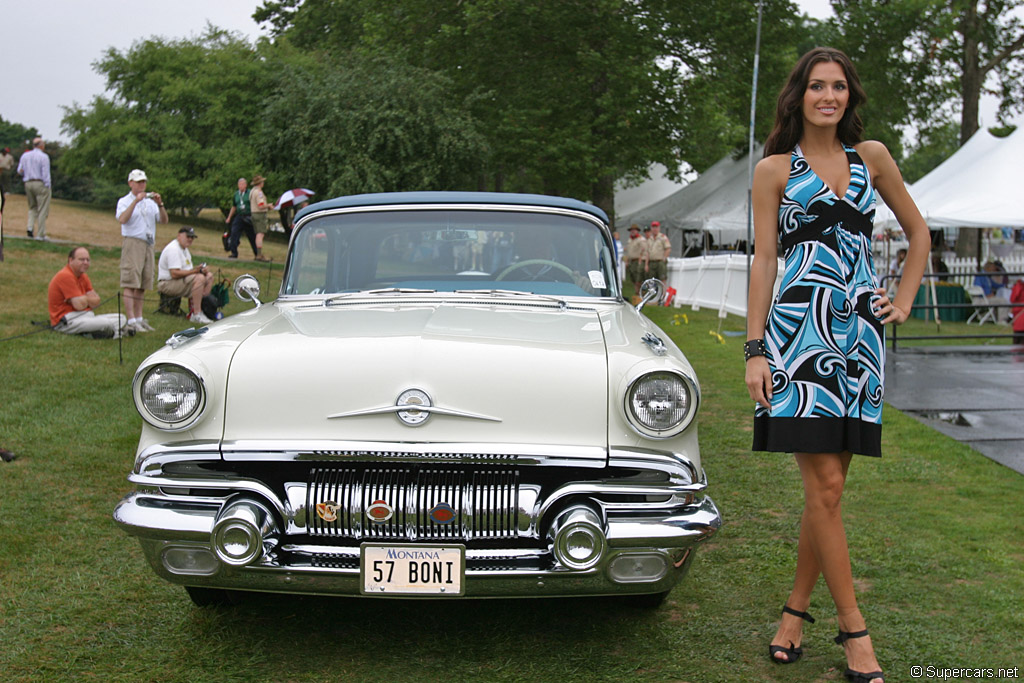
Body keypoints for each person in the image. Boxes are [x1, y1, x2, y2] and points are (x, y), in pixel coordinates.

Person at [745, 47, 928, 683]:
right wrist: (754, 349)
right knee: (823, 489)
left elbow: (920, 233)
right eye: (819, 86)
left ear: (850, 96)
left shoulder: (870, 158)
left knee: (829, 492)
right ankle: (856, 632)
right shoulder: (772, 170)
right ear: (799, 94)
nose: (830, 96)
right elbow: (764, 261)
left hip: (859, 343)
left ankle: (795, 613)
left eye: (840, 87)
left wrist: (901, 299)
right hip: (796, 345)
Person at [116, 169, 167, 334]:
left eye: (143, 182)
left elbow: (164, 221)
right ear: (130, 183)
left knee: (144, 282)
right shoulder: (124, 201)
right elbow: (122, 219)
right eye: (138, 182)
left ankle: (139, 318)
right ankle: (130, 319)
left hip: (149, 243)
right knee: (131, 281)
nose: (141, 185)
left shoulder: (150, 202)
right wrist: (135, 202)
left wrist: (160, 203)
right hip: (133, 242)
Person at [48, 246, 129, 339]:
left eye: (88, 260)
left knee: (121, 318)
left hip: (85, 316)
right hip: (66, 321)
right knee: (106, 323)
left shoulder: (83, 276)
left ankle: (96, 332)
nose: (85, 263)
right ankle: (115, 333)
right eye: (81, 260)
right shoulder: (65, 275)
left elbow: (96, 302)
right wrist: (87, 299)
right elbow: (79, 306)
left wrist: (83, 299)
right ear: (71, 260)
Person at [157, 226, 214, 324]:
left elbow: (188, 271)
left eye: (192, 237)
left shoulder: (185, 250)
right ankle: (196, 314)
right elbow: (174, 273)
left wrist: (201, 270)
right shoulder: (173, 249)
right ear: (179, 236)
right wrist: (196, 271)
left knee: (209, 276)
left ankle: (204, 308)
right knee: (199, 278)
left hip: (179, 281)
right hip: (167, 283)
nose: (190, 239)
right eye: (188, 236)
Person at [16, 137, 51, 240]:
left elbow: (19, 170)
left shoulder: (25, 155)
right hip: (39, 183)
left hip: (28, 183)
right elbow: (45, 173)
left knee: (32, 207)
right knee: (42, 209)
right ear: (41, 145)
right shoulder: (44, 157)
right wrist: (47, 185)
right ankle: (40, 234)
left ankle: (30, 227)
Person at [224, 177, 256, 259]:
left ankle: (257, 253)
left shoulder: (250, 193)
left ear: (245, 185)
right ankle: (234, 252)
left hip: (248, 215)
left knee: (252, 235)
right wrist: (229, 217)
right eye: (239, 184)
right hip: (239, 215)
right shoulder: (236, 194)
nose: (241, 186)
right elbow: (234, 206)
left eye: (242, 184)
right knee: (234, 232)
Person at [249, 175, 272, 261]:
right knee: (260, 234)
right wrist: (268, 206)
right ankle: (259, 254)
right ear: (260, 183)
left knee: (258, 234)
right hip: (259, 214)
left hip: (253, 213)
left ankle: (258, 253)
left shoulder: (252, 191)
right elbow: (261, 205)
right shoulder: (259, 192)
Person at [623, 224, 649, 295]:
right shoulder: (630, 239)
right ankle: (637, 293)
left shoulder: (641, 240)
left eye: (634, 230)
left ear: (637, 231)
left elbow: (644, 251)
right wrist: (627, 261)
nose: (633, 231)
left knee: (638, 279)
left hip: (638, 261)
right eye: (631, 230)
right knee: (633, 278)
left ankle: (640, 293)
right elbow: (628, 252)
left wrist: (642, 261)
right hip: (631, 261)